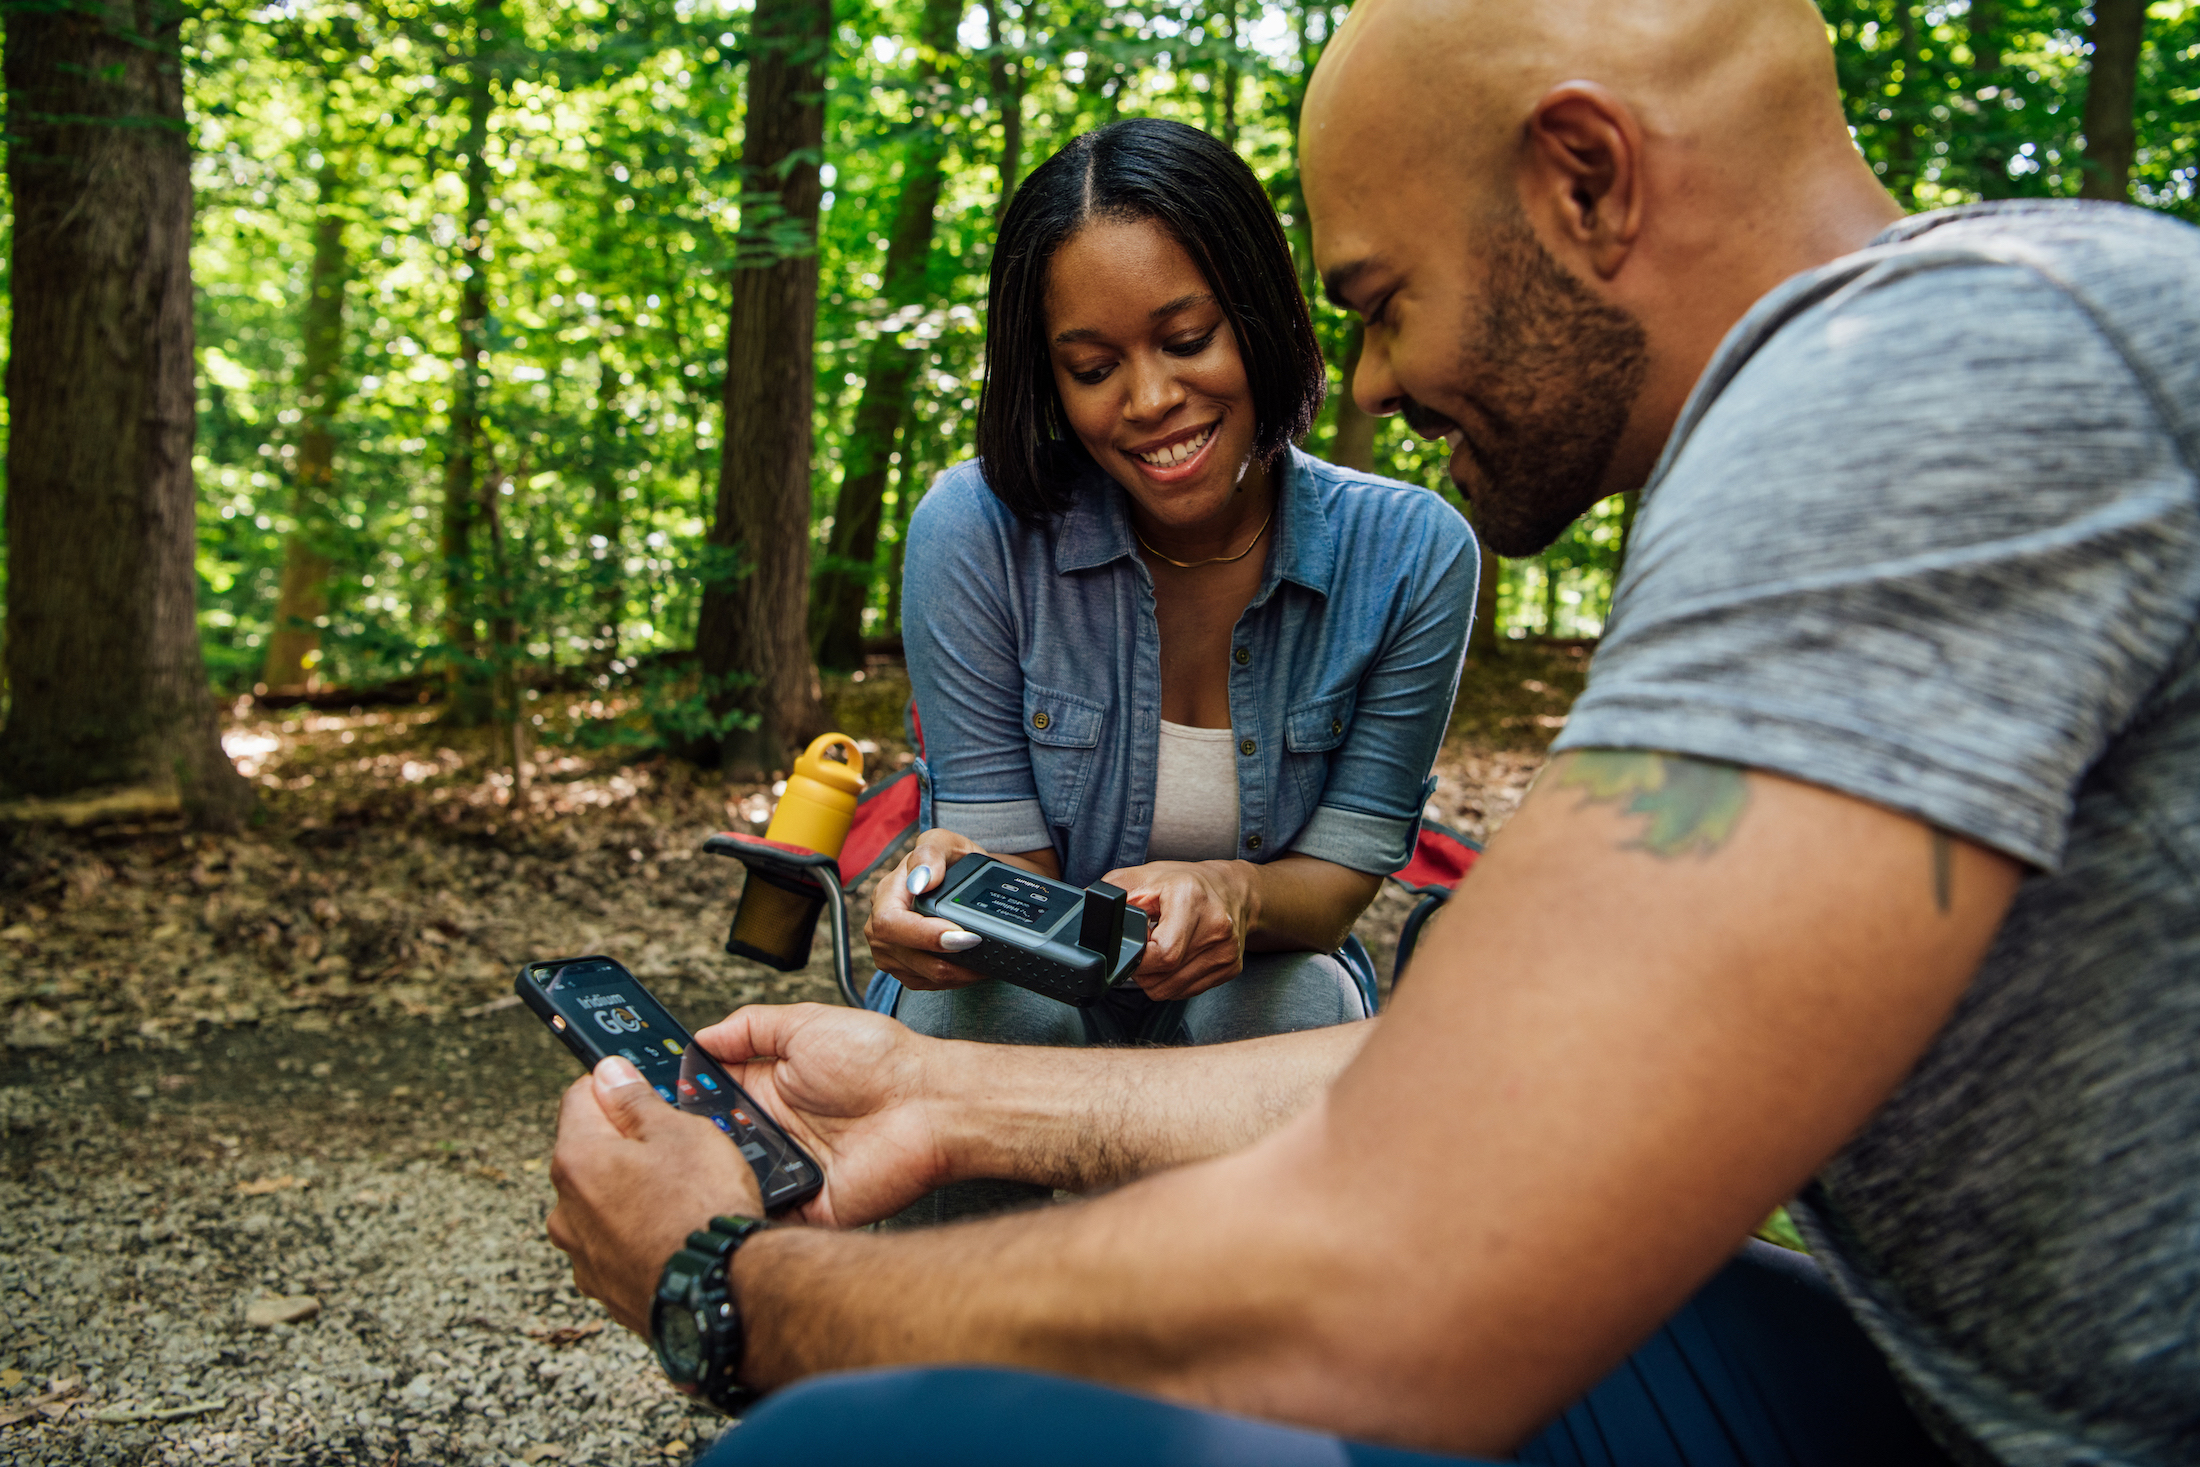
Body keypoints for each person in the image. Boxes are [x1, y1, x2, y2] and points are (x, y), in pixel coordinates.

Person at [542, 0, 2200, 1462]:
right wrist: (944, 1090)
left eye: (1384, 300)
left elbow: (1401, 1265)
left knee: (847, 1448)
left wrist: (735, 1286)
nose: (1374, 389)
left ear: (1584, 178)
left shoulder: (1935, 378)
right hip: (1935, 1397)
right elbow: (1481, 1086)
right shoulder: (1882, 401)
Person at [860, 119, 1474, 1220]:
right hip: (1033, 993)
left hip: (1259, 986)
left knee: (1292, 1011)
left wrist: (1232, 897)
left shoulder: (1412, 555)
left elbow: (1333, 893)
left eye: (1186, 340)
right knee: (965, 1026)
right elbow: (1007, 864)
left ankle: (1253, 1372)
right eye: (1093, 368)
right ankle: (962, 1367)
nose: (1146, 401)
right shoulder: (976, 531)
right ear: (1048, 381)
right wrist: (945, 907)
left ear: (1262, 318)